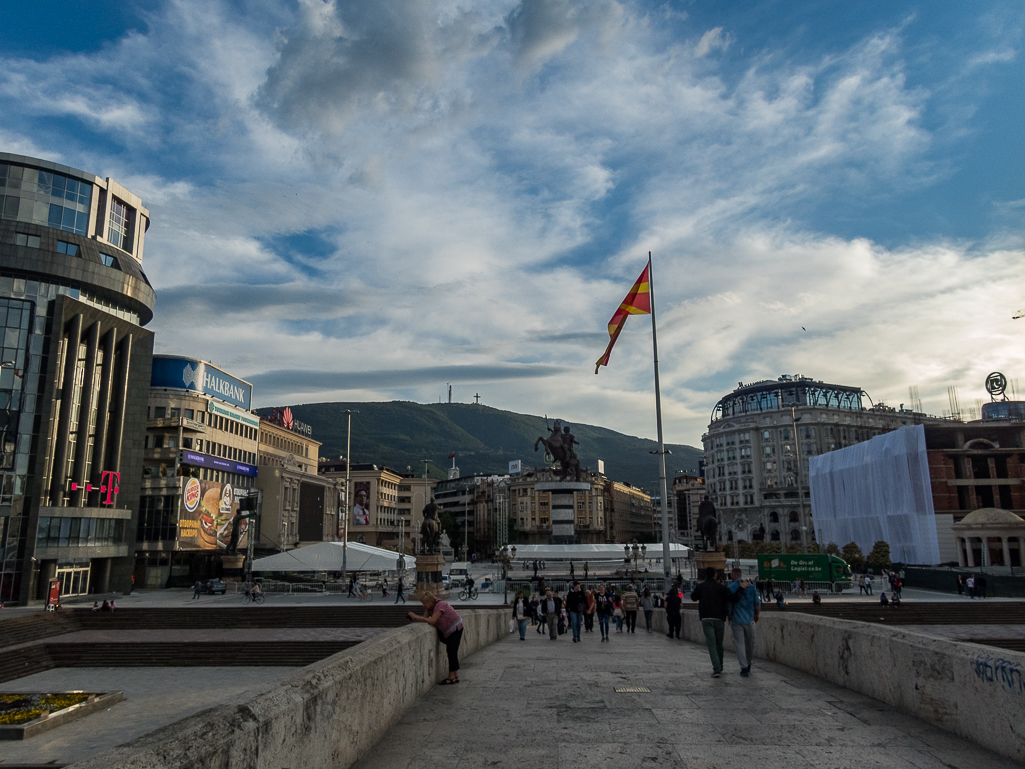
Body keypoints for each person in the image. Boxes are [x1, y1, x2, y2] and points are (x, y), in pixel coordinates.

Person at [408, 594, 464, 684]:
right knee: (452, 652)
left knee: (451, 652)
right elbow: (425, 618)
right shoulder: (429, 607)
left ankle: (451, 677)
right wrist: (414, 618)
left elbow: (432, 620)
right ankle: (455, 676)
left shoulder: (440, 605)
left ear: (430, 601)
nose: (423, 605)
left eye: (424, 603)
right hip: (449, 630)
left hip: (455, 628)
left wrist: (418, 617)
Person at [691, 567, 731, 677]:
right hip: (719, 617)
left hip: (706, 617)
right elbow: (731, 597)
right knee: (719, 643)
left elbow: (693, 598)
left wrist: (696, 586)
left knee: (711, 644)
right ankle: (720, 665)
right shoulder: (721, 587)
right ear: (715, 575)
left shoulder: (701, 587)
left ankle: (716, 668)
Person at [727, 567, 761, 678]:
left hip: (736, 620)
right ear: (741, 575)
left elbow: (728, 605)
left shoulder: (731, 587)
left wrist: (729, 616)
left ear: (733, 575)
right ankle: (749, 663)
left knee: (740, 644)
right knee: (749, 643)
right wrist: (757, 614)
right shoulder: (751, 587)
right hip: (749, 619)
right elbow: (757, 603)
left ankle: (744, 667)